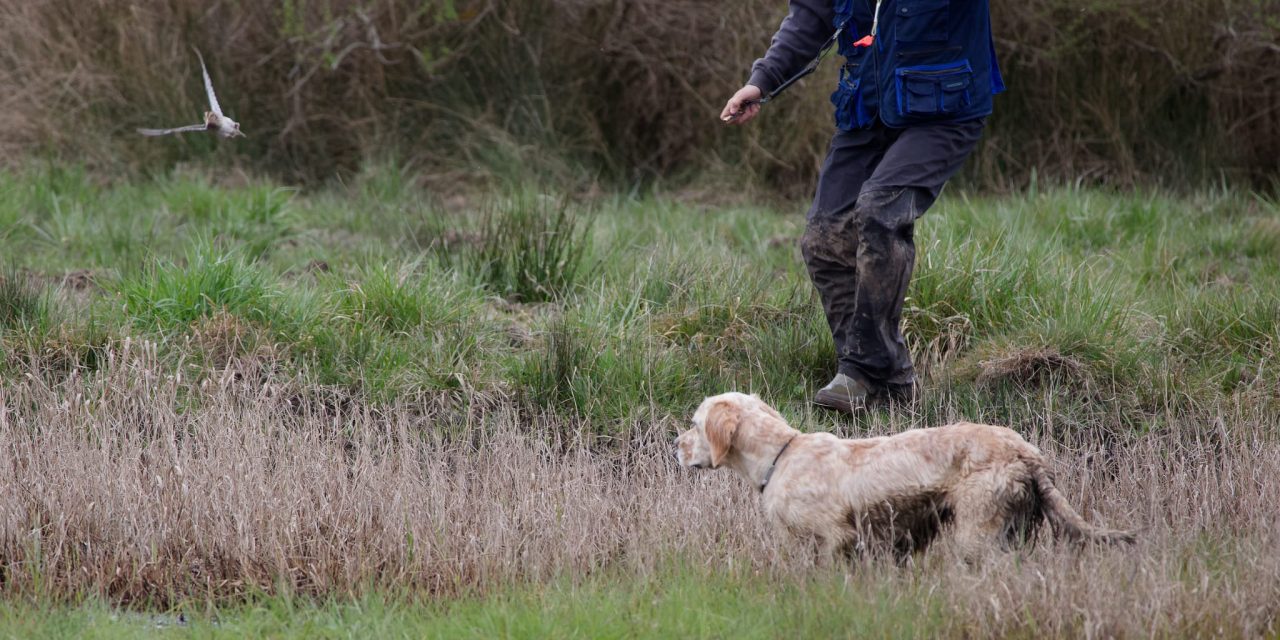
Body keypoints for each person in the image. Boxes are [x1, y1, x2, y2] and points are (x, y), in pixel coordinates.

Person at [721, 0, 1004, 414]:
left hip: (945, 109)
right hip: (865, 110)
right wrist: (762, 81)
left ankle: (861, 372)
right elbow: (812, 18)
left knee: (879, 211)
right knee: (822, 238)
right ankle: (885, 386)